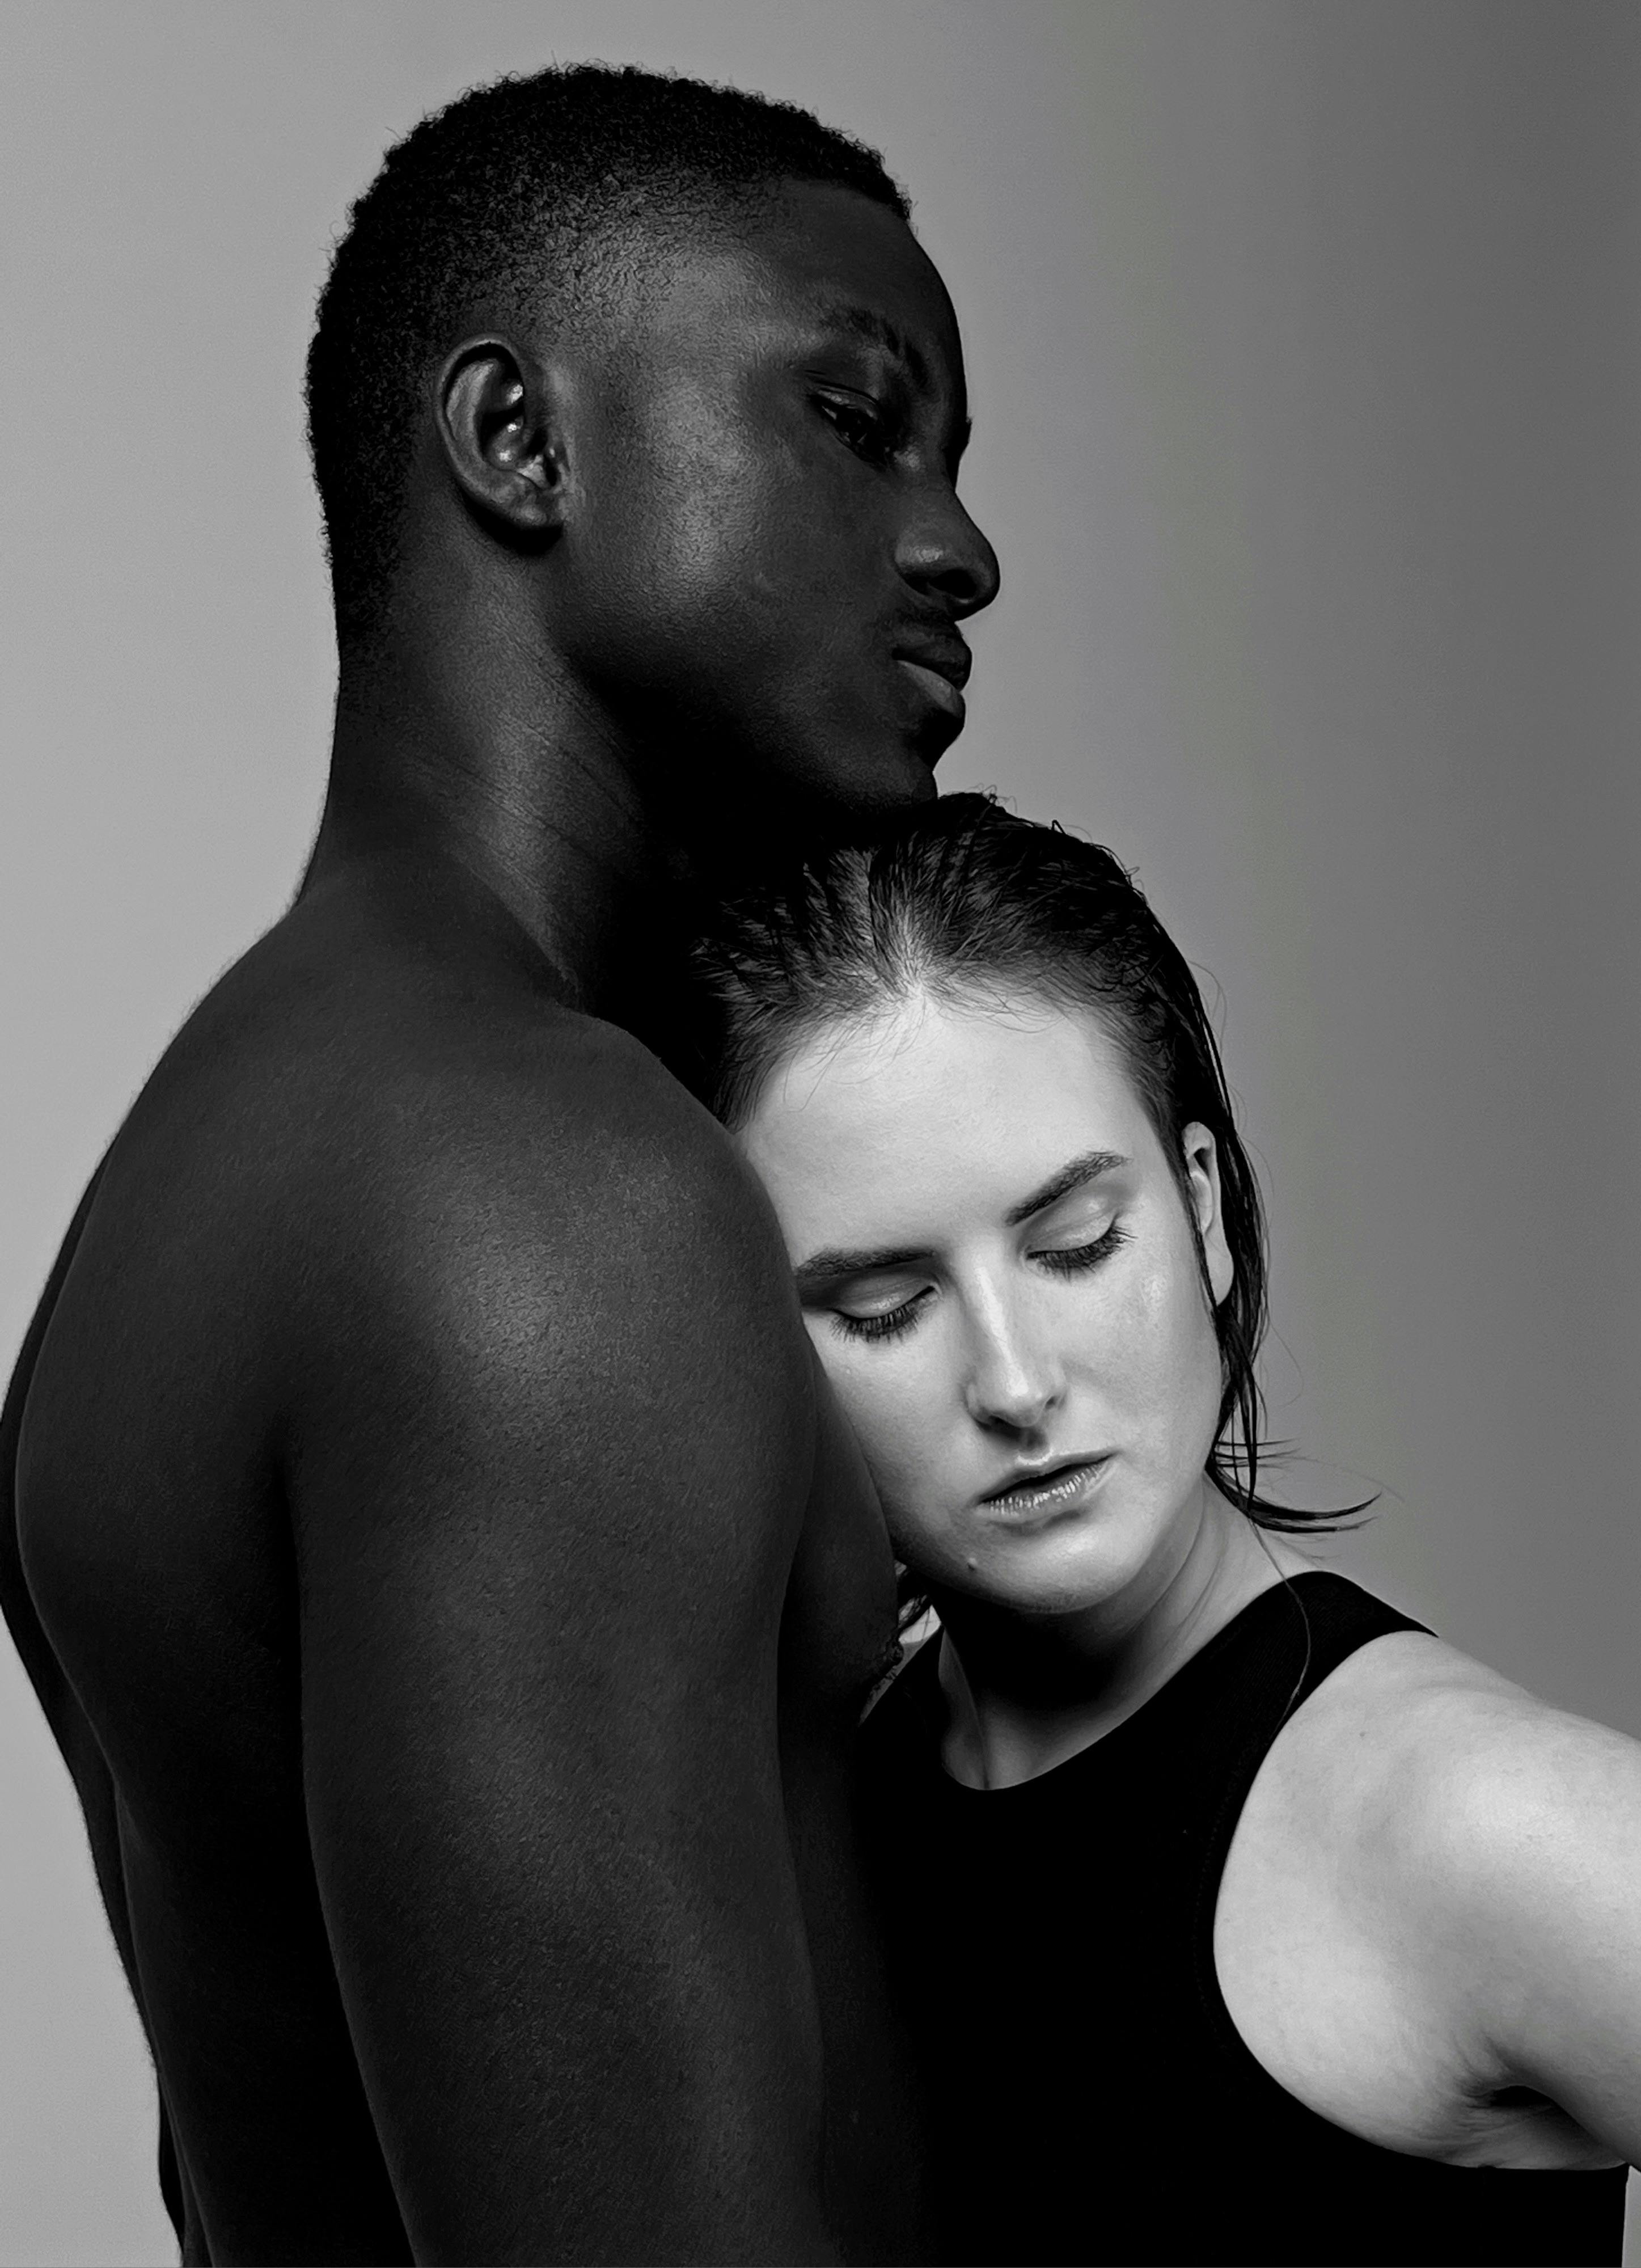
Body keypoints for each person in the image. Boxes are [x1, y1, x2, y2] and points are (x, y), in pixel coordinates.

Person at [0, 66, 998, 2265]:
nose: (959, 550)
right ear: (520, 444)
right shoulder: (541, 1191)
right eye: (857, 419)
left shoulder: (208, 1174)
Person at [680, 793, 1641, 2268]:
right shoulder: (824, 1813)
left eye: (1078, 1245)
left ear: (1206, 1215)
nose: (1017, 1384)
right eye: (885, 1308)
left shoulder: (1471, 1822)